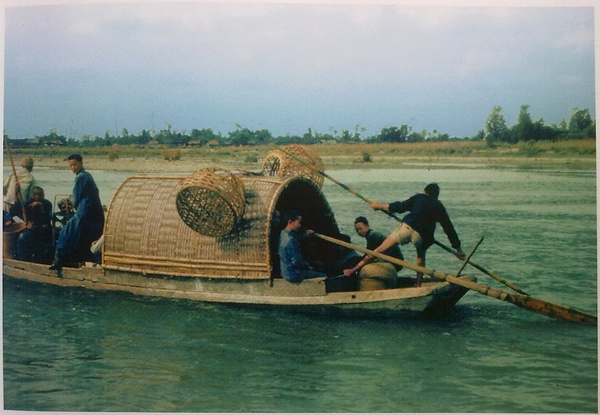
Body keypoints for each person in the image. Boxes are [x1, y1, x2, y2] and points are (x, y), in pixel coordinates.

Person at [344, 183, 465, 286]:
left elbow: (400, 207)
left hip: (407, 228)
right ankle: (418, 285)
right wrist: (458, 249)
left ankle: (352, 270)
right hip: (421, 236)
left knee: (377, 250)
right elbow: (449, 229)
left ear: (425, 192)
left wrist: (379, 206)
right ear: (436, 195)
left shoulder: (419, 197)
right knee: (420, 260)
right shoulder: (439, 206)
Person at [50, 154, 105, 270]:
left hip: (85, 213)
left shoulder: (81, 177)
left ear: (81, 163)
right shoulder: (87, 175)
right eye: (71, 165)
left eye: (75, 164)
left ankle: (57, 260)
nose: (73, 168)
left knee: (65, 232)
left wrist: (73, 206)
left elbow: (76, 199)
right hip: (93, 213)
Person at [278, 210, 327, 283]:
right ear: (290, 222)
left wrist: (306, 235)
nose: (300, 225)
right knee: (324, 276)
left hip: (285, 272)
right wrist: (308, 266)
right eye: (298, 223)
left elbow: (296, 238)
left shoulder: (283, 233)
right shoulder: (291, 241)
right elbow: (296, 262)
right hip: (294, 274)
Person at [16, 186, 53, 263]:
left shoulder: (47, 203)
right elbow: (21, 214)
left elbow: (48, 218)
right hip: (31, 228)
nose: (37, 197)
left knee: (45, 244)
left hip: (44, 228)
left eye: (40, 195)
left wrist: (42, 208)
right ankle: (24, 259)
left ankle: (42, 259)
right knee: (23, 238)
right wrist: (27, 224)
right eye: (35, 195)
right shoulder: (27, 203)